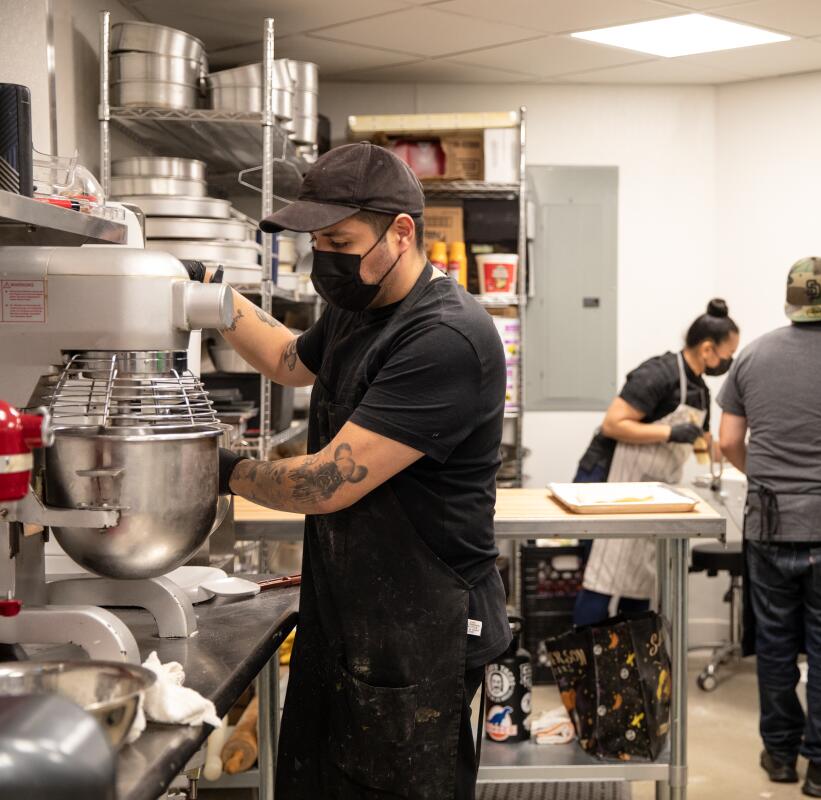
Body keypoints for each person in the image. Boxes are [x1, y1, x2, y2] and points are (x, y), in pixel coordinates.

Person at [210, 142, 510, 799]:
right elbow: (289, 359)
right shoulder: (357, 307)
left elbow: (323, 484)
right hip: (350, 611)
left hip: (420, 631)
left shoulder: (445, 339)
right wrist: (211, 295)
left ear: (400, 231)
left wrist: (216, 466)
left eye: (339, 239)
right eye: (317, 241)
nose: (326, 257)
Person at [718, 257, 821, 797]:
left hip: (769, 524)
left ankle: (779, 755)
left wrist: (766, 475)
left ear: (791, 301)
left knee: (774, 644)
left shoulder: (752, 355)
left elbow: (729, 441)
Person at [573, 299, 740, 625]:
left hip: (652, 493)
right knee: (602, 577)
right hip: (607, 482)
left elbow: (704, 448)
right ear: (708, 349)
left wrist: (744, 449)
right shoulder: (658, 373)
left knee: (638, 578)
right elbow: (614, 424)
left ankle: (631, 671)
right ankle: (584, 671)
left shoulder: (700, 392)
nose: (727, 362)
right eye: (726, 355)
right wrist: (668, 432)